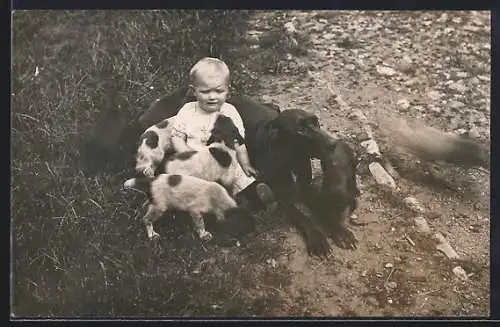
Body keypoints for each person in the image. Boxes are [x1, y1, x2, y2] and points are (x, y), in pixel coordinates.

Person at [170, 57, 276, 210]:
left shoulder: (229, 112)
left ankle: (254, 195)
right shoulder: (187, 111)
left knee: (242, 178)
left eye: (219, 91)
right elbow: (177, 136)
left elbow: (238, 143)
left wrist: (245, 163)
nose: (212, 97)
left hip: (226, 162)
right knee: (197, 187)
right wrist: (186, 153)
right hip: (197, 164)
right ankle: (223, 206)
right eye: (205, 92)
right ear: (193, 91)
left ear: (228, 89)